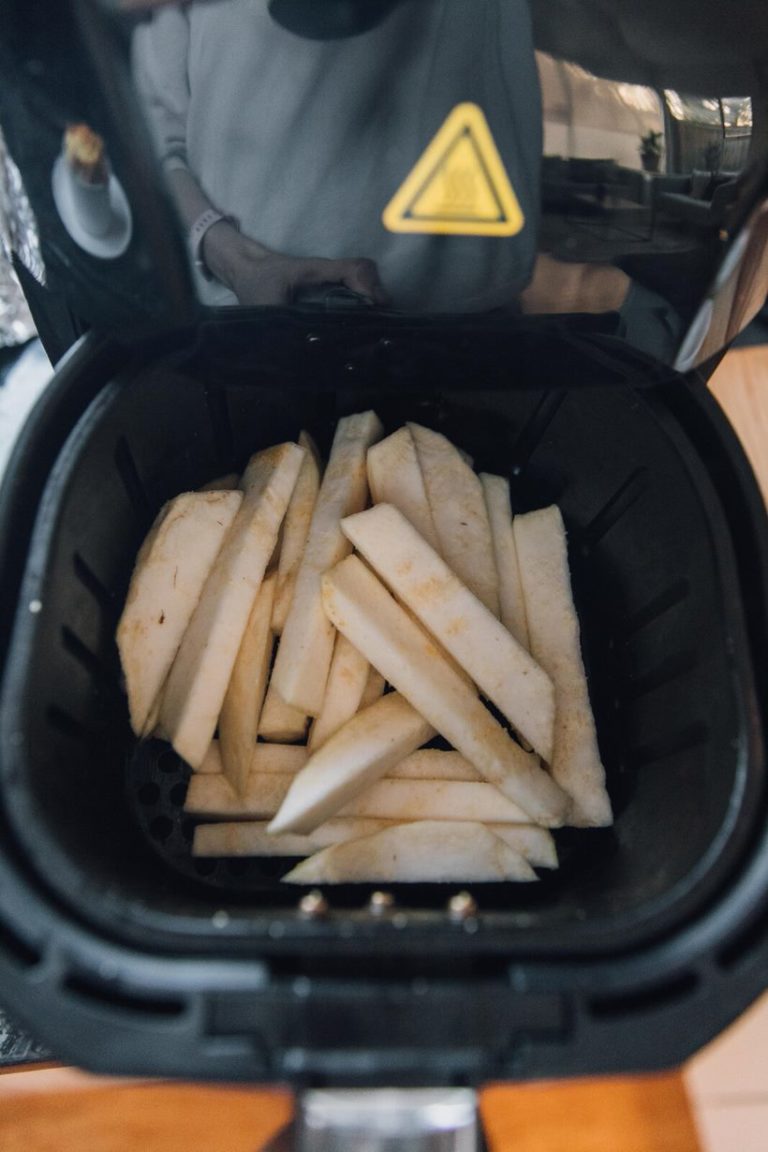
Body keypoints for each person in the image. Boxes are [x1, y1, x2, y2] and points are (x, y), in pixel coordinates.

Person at [131, 0, 543, 310]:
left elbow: (601, 38)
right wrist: (241, 263)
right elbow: (156, 141)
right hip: (264, 317)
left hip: (475, 318)